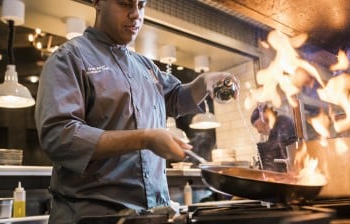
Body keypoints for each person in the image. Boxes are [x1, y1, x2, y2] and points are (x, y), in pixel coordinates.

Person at [34, 0, 239, 223]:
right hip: (92, 216)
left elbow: (175, 98)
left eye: (141, 5)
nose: (135, 15)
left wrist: (204, 82)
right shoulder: (69, 58)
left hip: (150, 216)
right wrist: (145, 138)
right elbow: (59, 137)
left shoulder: (145, 66)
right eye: (125, 4)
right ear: (98, 3)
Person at [250, 105, 297, 172]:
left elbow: (283, 149)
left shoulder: (283, 122)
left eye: (256, 125)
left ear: (262, 117)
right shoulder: (274, 129)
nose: (258, 130)